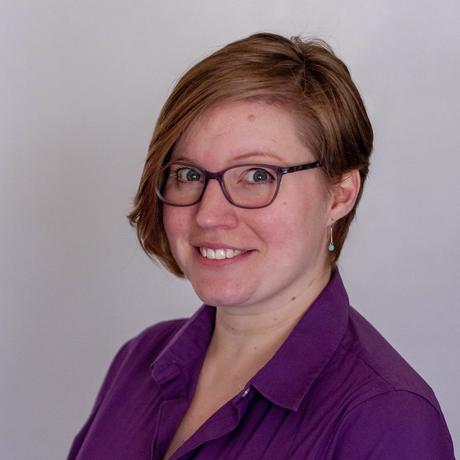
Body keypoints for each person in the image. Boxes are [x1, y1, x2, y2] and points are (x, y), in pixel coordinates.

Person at [67, 33, 455, 460]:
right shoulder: (138, 362)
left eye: (257, 176)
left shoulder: (386, 418)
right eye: (189, 174)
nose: (209, 215)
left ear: (340, 194)